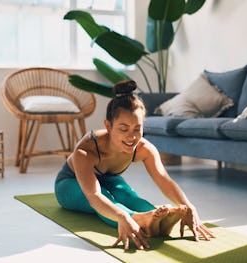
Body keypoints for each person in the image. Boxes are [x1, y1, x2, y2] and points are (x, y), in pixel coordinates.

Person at [54, 80, 215, 251]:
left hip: (109, 178)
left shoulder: (144, 148)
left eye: (137, 129)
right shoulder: (87, 149)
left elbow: (164, 180)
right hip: (70, 183)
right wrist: (122, 217)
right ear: (108, 126)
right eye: (123, 129)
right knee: (107, 197)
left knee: (129, 197)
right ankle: (139, 219)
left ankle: (156, 218)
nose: (131, 137)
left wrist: (189, 206)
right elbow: (94, 195)